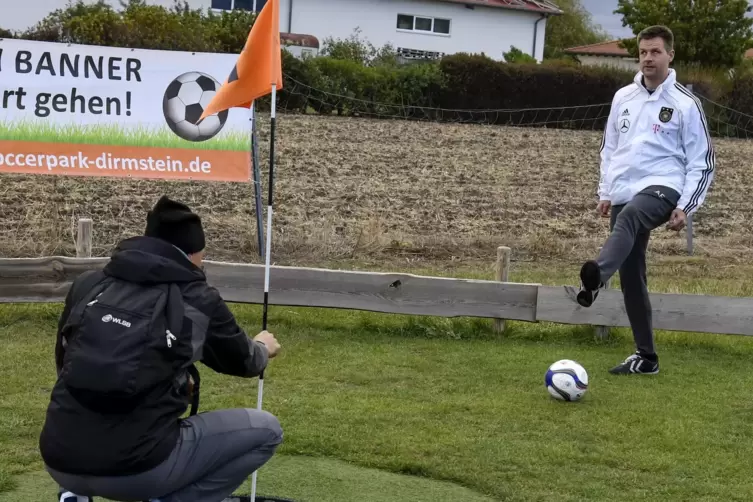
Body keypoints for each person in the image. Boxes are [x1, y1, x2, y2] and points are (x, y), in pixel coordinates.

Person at [39, 195, 283, 502]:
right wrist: (263, 347)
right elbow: (245, 362)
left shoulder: (89, 285)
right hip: (138, 471)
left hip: (58, 458)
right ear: (194, 255)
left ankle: (73, 493)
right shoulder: (197, 297)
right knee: (267, 430)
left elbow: (66, 362)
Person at [576, 25, 715, 375]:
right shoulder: (623, 97)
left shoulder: (685, 103)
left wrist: (686, 204)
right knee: (632, 274)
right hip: (625, 189)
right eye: (643, 52)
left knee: (631, 218)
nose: (648, 58)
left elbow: (702, 161)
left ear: (670, 55)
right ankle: (646, 357)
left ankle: (594, 281)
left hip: (664, 187)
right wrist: (606, 191)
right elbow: (610, 147)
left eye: (655, 52)